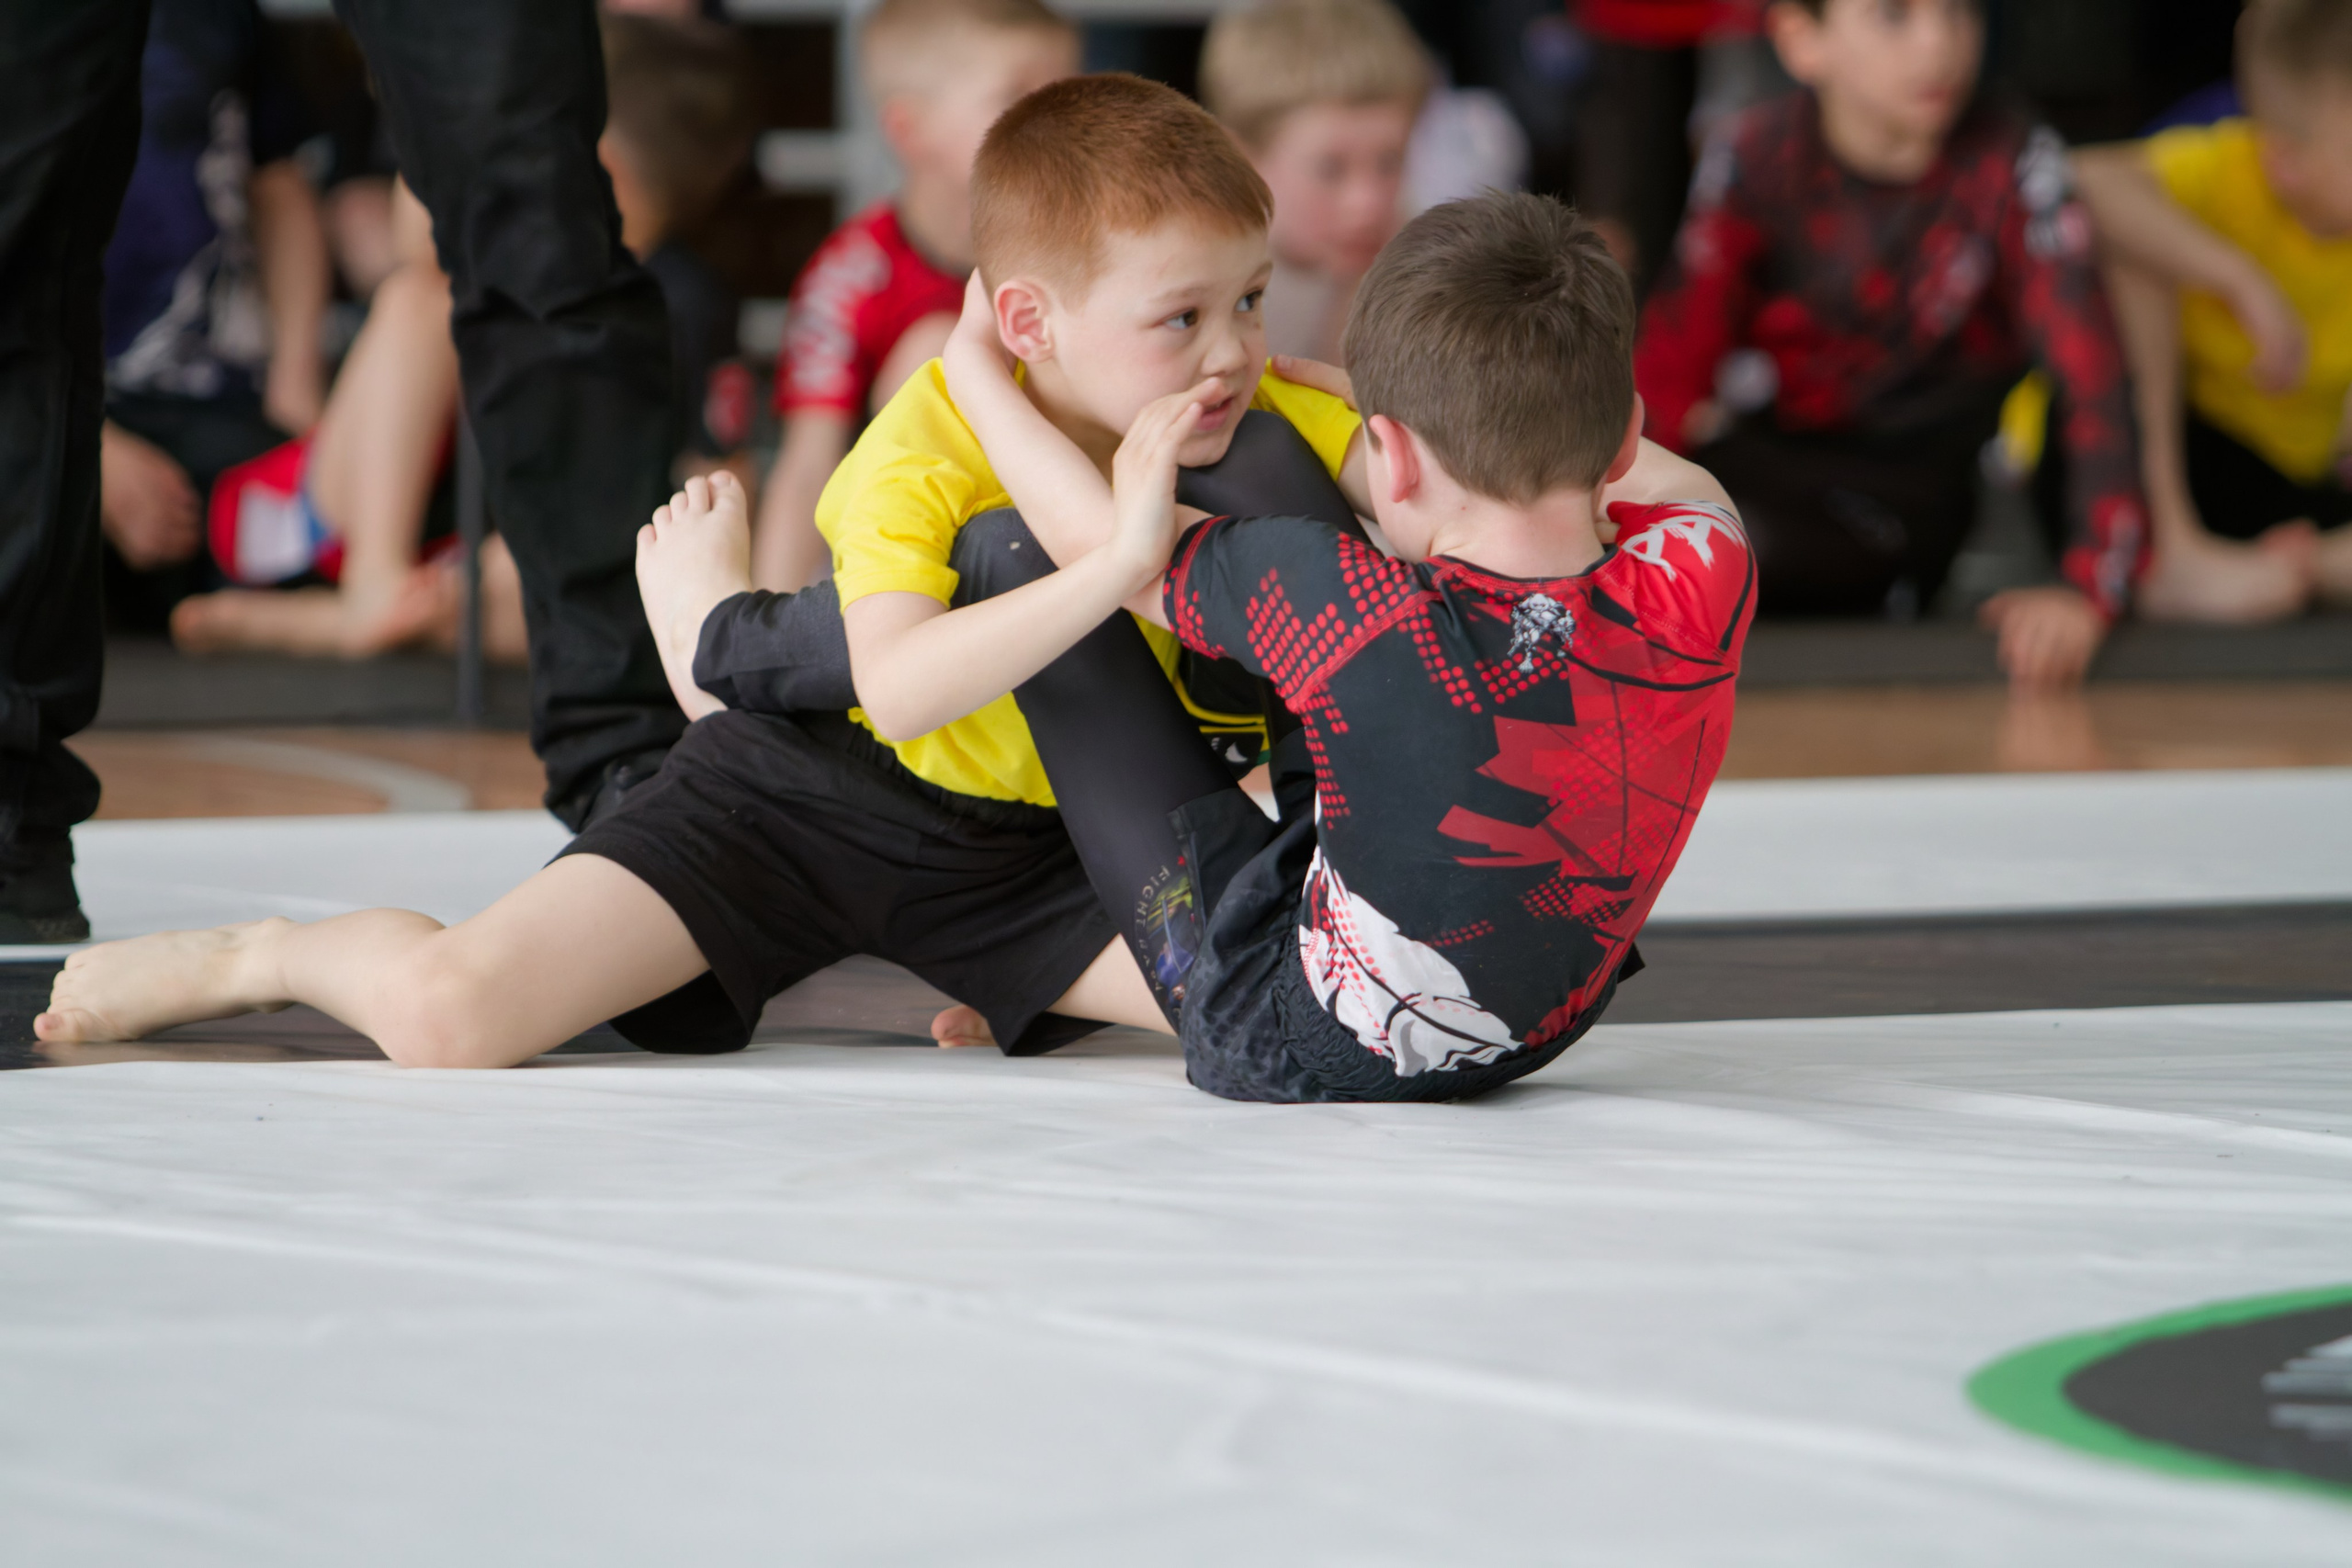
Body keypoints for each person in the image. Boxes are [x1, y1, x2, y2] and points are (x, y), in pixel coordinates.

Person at [34, 73, 1360, 1069]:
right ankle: (267, 950)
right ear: (1028, 322)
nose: (1233, 350)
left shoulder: (1260, 417)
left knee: (1288, 989)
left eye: (1250, 299)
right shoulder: (922, 448)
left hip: (1037, 858)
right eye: (1182, 316)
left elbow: (1421, 504)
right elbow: (897, 692)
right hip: (809, 796)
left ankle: (917, 914)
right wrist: (1124, 558)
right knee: (453, 1019)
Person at [3, 0, 692, 952]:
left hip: (277, 481)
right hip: (257, 497)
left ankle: (637, 785)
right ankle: (8, 813)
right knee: (14, 228)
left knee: (538, 219)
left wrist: (293, 386)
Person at [168, 11, 755, 661]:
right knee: (420, 296)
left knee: (608, 616)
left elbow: (718, 479)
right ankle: (372, 583)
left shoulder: (686, 301)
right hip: (337, 513)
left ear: (595, 162)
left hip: (475, 567)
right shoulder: (506, 251)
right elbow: (412, 237)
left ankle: (347, 623)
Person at [1635, 0, 2146, 686]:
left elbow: (2093, 380)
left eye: (1959, 11)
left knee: (1721, 546)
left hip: (1902, 504)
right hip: (1772, 464)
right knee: (1659, 518)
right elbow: (1669, 368)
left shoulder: (2014, 159)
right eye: (1894, 15)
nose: (1940, 44)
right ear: (1800, 38)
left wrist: (2090, 586)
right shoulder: (1754, 154)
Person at [750, 0, 1079, 592]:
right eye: (1016, 96)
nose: (1056, 123)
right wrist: (760, 653)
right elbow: (806, 470)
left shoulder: (1088, 244)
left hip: (1065, 548)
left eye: (1065, 95)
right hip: (900, 565)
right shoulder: (854, 274)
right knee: (939, 348)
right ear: (911, 130)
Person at [2071, 0, 2352, 622]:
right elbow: (2078, 180)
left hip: (2283, 480)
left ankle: (2311, 563)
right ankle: (2165, 548)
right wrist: (2237, 279)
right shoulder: (2227, 169)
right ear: (2287, 163)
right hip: (2162, 455)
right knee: (2134, 251)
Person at [96, 0, 331, 633]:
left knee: (318, 535)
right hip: (63, 413)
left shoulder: (223, 13)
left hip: (218, 399)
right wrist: (84, 448)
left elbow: (278, 187)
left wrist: (296, 377)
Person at [1199, 0, 1430, 366]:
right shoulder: (1198, 294)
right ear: (1239, 159)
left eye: (1390, 162)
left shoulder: (1433, 268)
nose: (1367, 202)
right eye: (1330, 169)